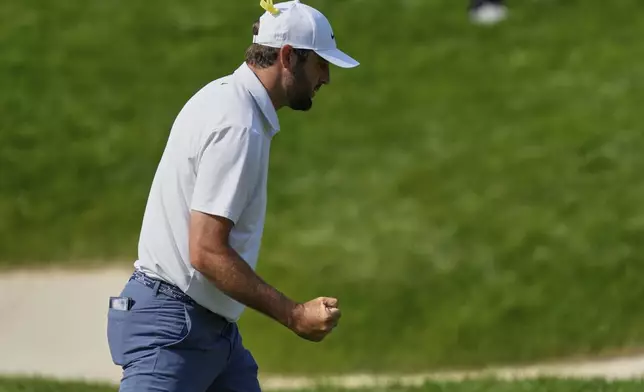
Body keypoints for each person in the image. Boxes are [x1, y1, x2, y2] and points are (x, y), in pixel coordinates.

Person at [105, 1, 359, 391]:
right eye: (320, 64)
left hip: (208, 331)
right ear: (288, 57)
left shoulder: (226, 99)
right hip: (175, 330)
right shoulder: (239, 124)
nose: (326, 77)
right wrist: (293, 314)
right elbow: (206, 251)